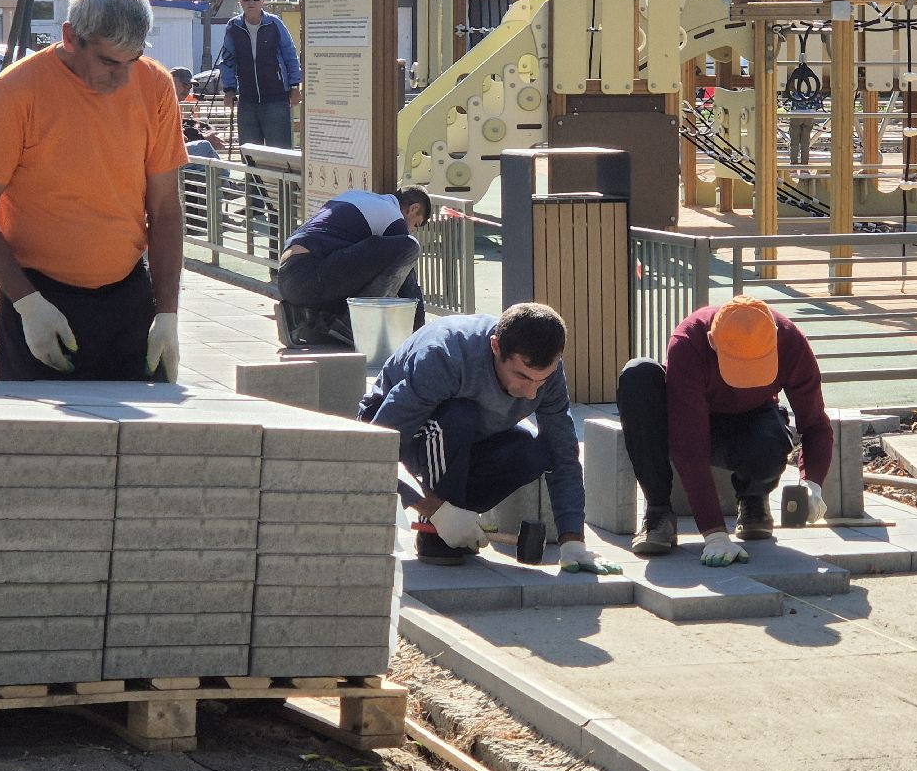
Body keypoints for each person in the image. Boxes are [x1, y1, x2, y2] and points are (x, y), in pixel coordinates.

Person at [0, 0, 186, 382]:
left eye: (131, 61)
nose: (121, 78)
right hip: (38, 295)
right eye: (108, 63)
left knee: (141, 443)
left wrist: (167, 312)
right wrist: (28, 304)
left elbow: (166, 209)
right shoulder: (16, 91)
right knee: (36, 441)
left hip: (128, 295)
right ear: (70, 37)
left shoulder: (156, 85)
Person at [359, 302, 620, 575]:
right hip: (402, 431)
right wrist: (436, 511)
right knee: (460, 417)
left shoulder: (547, 374)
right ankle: (435, 529)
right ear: (496, 347)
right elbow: (376, 448)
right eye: (521, 377)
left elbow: (563, 454)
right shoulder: (444, 357)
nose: (531, 393)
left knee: (535, 452)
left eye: (540, 381)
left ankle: (459, 519)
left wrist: (573, 540)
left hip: (468, 439)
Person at [616, 296, 835, 567]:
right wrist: (715, 533)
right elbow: (689, 447)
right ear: (712, 341)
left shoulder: (790, 341)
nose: (746, 378)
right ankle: (658, 511)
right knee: (638, 375)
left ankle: (753, 498)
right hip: (691, 416)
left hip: (752, 418)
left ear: (774, 338)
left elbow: (814, 423)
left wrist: (812, 482)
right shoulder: (689, 342)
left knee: (772, 439)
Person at [277, 186, 431, 347]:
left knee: (371, 259)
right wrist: (419, 335)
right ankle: (353, 323)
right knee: (410, 247)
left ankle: (312, 316)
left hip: (288, 276)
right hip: (311, 274)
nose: (412, 230)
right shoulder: (393, 216)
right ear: (413, 209)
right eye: (416, 224)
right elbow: (408, 282)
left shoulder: (354, 196)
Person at [219, 0, 302, 148]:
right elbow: (228, 60)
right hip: (247, 100)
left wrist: (295, 87)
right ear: (240, 2)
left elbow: (290, 55)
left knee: (279, 153)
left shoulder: (274, 24)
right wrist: (229, 89)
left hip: (276, 99)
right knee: (249, 154)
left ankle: (276, 175)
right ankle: (251, 176)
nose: (251, 1)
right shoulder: (233, 26)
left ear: (263, 0)